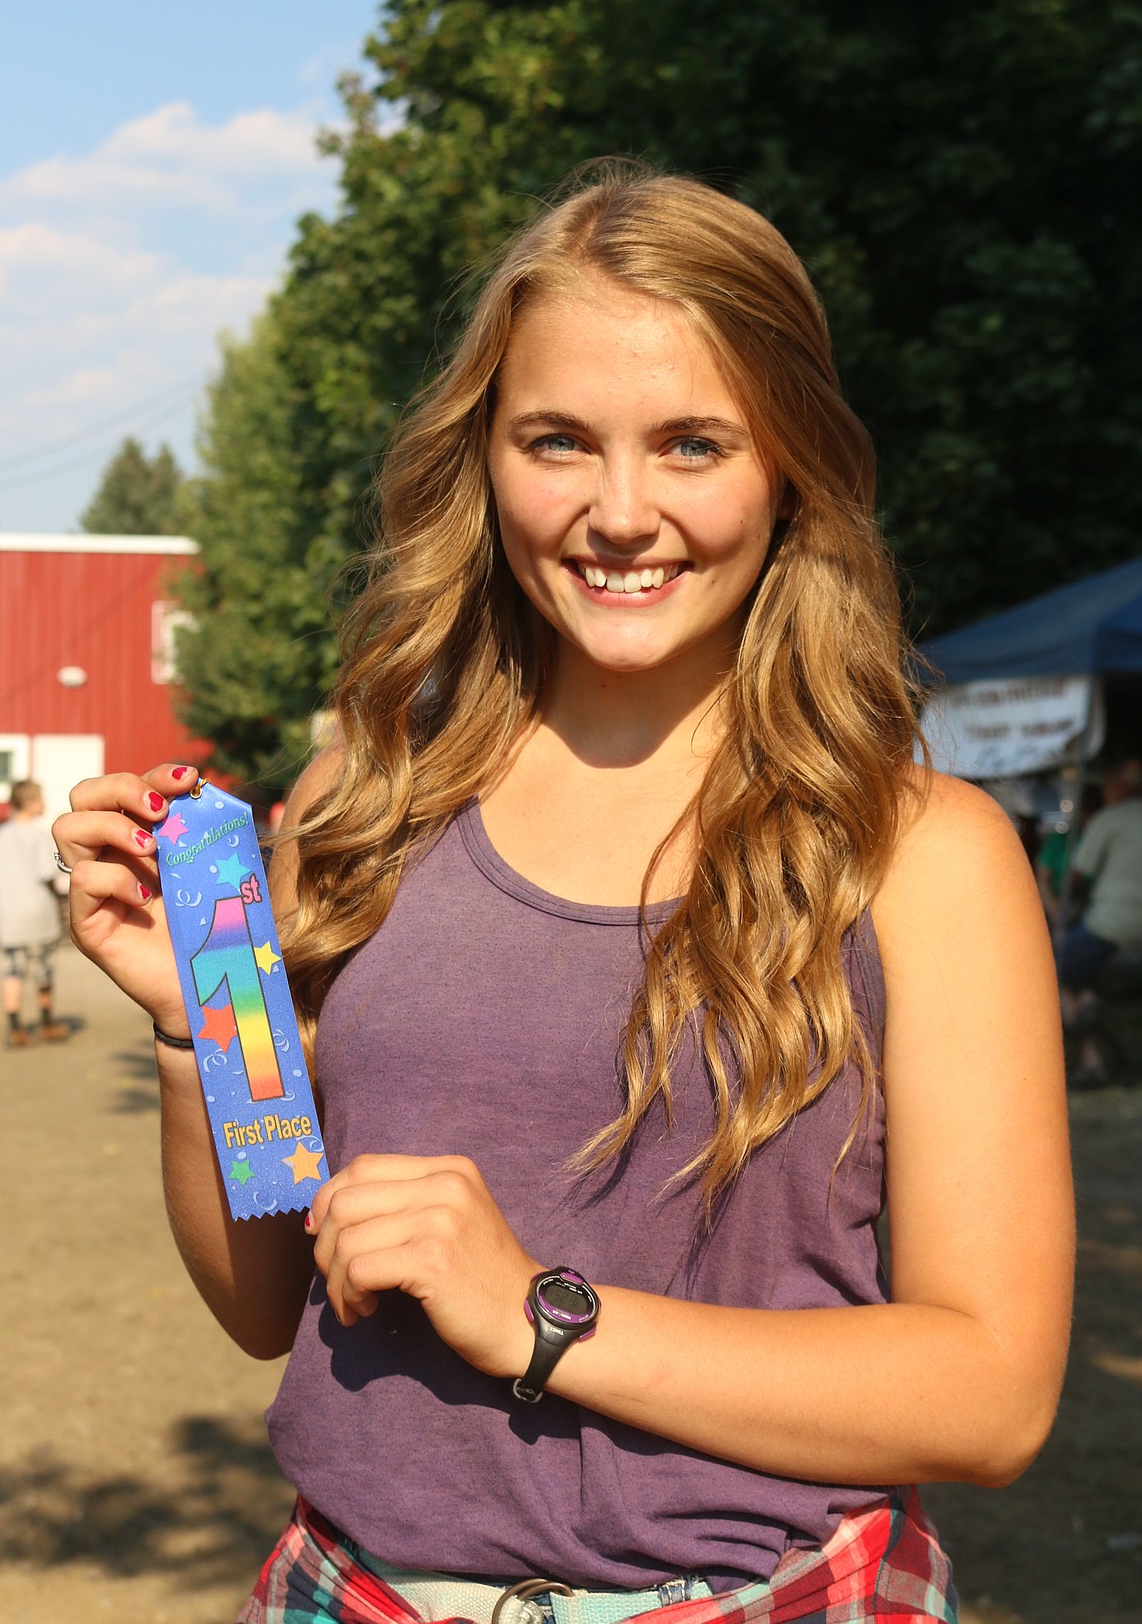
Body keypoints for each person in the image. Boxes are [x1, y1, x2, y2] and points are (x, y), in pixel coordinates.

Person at [53, 169, 1073, 1624]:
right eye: (556, 441)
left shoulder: (921, 852)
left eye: (690, 443)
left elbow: (991, 1395)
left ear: (788, 464)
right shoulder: (359, 807)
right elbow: (263, 1296)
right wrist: (191, 1028)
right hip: (348, 1593)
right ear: (482, 458)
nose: (618, 510)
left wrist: (538, 1312)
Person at [1055, 756, 1142, 1082]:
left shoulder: (1109, 819)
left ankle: (1092, 1058)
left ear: (1118, 785)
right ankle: (1088, 998)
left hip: (1112, 925)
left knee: (1054, 970)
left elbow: (1075, 878)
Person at [0, 779, 69, 1046]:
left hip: (9, 913)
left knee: (12, 970)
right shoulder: (37, 834)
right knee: (43, 968)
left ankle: (15, 1027)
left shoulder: (1, 834)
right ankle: (46, 1023)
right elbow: (46, 872)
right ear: (30, 801)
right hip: (38, 912)